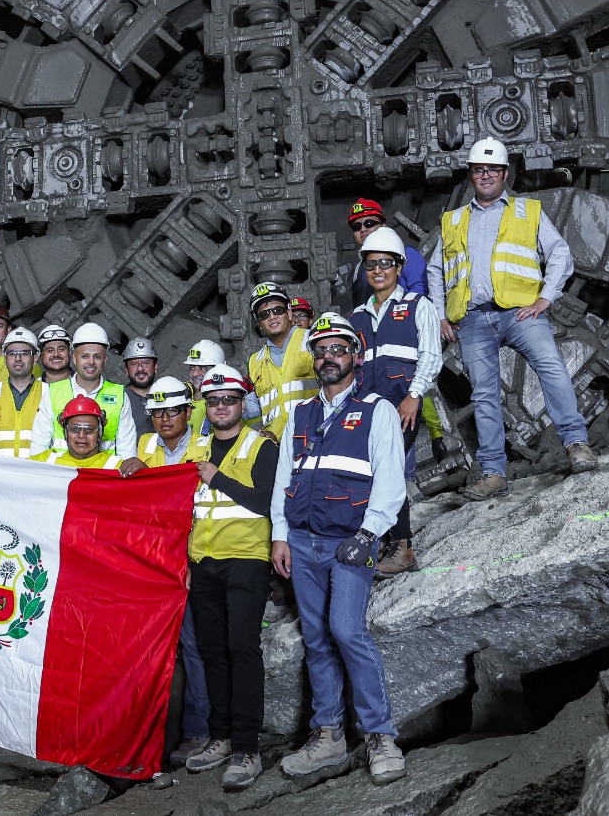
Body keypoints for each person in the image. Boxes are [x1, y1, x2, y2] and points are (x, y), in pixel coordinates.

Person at [270, 313, 406, 787]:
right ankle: (328, 736)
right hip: (303, 543)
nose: (329, 357)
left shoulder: (377, 410)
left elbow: (391, 481)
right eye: (321, 350)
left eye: (337, 349)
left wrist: (368, 535)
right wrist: (280, 535)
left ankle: (379, 735)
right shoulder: (301, 414)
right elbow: (284, 477)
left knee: (347, 630)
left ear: (356, 355)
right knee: (316, 638)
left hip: (351, 542)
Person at [426, 138, 596, 500]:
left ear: (504, 174)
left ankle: (577, 444)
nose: (484, 175)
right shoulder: (454, 221)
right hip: (472, 319)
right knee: (484, 394)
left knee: (551, 367)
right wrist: (441, 315)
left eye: (492, 170)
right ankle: (493, 474)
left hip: (519, 314)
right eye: (478, 170)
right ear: (471, 175)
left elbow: (560, 253)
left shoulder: (527, 210)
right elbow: (435, 270)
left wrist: (545, 298)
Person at [180, 365, 277, 792]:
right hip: (203, 562)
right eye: (214, 400)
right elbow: (181, 506)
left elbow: (266, 502)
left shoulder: (261, 446)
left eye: (229, 400)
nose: (221, 407)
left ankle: (246, 747)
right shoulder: (196, 448)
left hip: (246, 559)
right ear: (206, 405)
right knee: (212, 650)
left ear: (242, 403)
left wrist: (218, 478)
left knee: (241, 648)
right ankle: (219, 737)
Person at [122, 376, 214, 767]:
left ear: (188, 412)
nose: (164, 419)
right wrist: (133, 469)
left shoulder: (206, 447)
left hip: (194, 560)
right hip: (155, 563)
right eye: (157, 412)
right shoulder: (143, 447)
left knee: (194, 648)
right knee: (148, 650)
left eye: (172, 410)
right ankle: (143, 736)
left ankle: (199, 732)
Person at [349, 228, 441, 576]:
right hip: (366, 409)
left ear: (400, 267)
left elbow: (431, 357)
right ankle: (387, 539)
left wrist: (414, 396)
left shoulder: (418, 306)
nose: (378, 270)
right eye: (372, 264)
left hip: (402, 406)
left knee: (387, 470)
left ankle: (403, 548)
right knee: (370, 473)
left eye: (385, 263)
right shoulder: (357, 317)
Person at [29, 323, 138, 460]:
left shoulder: (119, 396)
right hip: (63, 475)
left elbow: (127, 452)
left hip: (102, 476)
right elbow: (39, 446)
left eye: (97, 357)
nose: (91, 362)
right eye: (85, 356)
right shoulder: (53, 393)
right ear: (74, 358)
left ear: (105, 360)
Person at [246, 282, 318, 440]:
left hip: (314, 438)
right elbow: (257, 405)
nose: (271, 317)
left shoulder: (313, 341)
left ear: (290, 313)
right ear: (258, 322)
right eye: (264, 314)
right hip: (276, 444)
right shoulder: (255, 361)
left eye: (277, 310)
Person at [0, 327, 43, 456]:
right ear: (5, 359)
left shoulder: (47, 393)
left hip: (35, 473)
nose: (17, 358)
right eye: (11, 353)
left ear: (35, 358)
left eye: (24, 353)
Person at [342, 200, 426, 307]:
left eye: (369, 223)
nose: (363, 229)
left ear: (383, 226)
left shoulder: (407, 254)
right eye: (357, 227)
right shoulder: (359, 267)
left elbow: (420, 294)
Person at [40, 396, 118, 468]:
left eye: (89, 429)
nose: (81, 435)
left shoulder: (118, 467)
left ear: (100, 433)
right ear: (65, 432)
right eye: (75, 429)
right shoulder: (45, 461)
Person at [184, 339, 227, 434]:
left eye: (203, 368)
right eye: (192, 368)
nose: (195, 374)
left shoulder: (227, 404)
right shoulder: (180, 402)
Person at [121, 336, 159, 435]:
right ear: (126, 369)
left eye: (145, 363)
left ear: (155, 367)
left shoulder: (168, 394)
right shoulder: (120, 400)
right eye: (134, 364)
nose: (140, 368)